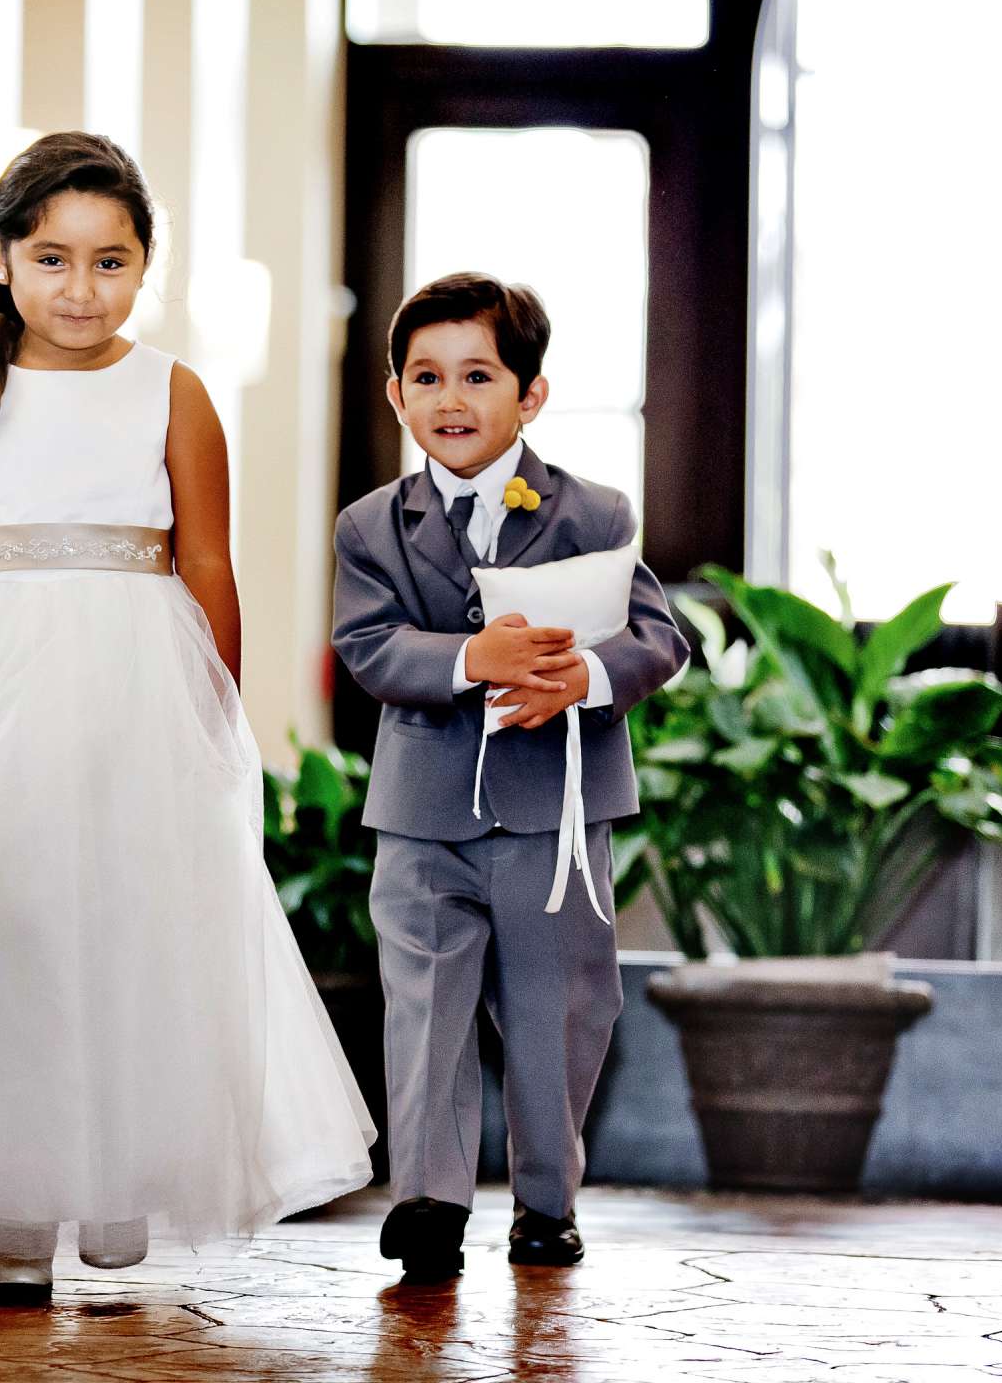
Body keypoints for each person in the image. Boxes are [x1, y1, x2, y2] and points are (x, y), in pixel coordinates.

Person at [0, 131, 373, 1305]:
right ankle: (20, 1202)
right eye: (51, 258)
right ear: (1, 259)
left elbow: (208, 557)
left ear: (146, 266)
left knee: (135, 924)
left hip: (139, 684)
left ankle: (124, 1175)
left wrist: (219, 711)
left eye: (110, 262)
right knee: (11, 932)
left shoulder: (174, 391)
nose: (80, 289)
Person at [330, 272, 688, 1281]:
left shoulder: (594, 511)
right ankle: (431, 1199)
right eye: (426, 377)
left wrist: (585, 676)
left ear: (529, 394)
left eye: (477, 375)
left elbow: (661, 636)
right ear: (396, 395)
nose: (450, 399)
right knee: (426, 1005)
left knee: (557, 1008)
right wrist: (465, 659)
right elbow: (367, 645)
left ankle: (546, 1199)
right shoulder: (370, 527)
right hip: (423, 811)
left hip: (555, 812)